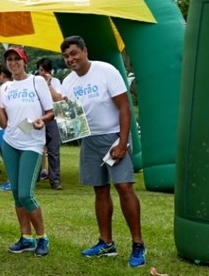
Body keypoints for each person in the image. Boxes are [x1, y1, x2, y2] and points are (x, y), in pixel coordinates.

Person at [58, 35, 146, 268]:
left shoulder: (106, 71)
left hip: (114, 136)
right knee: (100, 190)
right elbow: (71, 123)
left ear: (85, 51)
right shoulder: (67, 82)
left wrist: (122, 142)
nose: (70, 59)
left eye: (74, 53)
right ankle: (106, 243)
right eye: (66, 56)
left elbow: (124, 107)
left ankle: (138, 244)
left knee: (124, 187)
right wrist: (61, 109)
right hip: (90, 139)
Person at [0, 47, 54, 257]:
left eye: (16, 59)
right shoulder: (6, 87)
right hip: (10, 141)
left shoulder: (37, 81)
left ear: (24, 61)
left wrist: (41, 121)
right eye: (9, 60)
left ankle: (42, 237)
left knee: (27, 194)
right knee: (17, 194)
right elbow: (3, 122)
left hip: (32, 143)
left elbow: (51, 112)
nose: (13, 63)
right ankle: (25, 238)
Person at [36, 57, 63, 190]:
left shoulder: (56, 81)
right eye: (41, 70)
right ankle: (34, 178)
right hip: (38, 117)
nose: (43, 73)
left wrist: (48, 84)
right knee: (35, 148)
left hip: (53, 118)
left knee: (53, 150)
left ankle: (55, 180)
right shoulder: (33, 81)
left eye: (45, 70)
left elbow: (58, 98)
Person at [0, 64, 13, 192]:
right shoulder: (14, 85)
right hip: (11, 125)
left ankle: (11, 181)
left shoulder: (4, 87)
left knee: (7, 156)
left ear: (1, 74)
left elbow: (1, 107)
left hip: (3, 127)